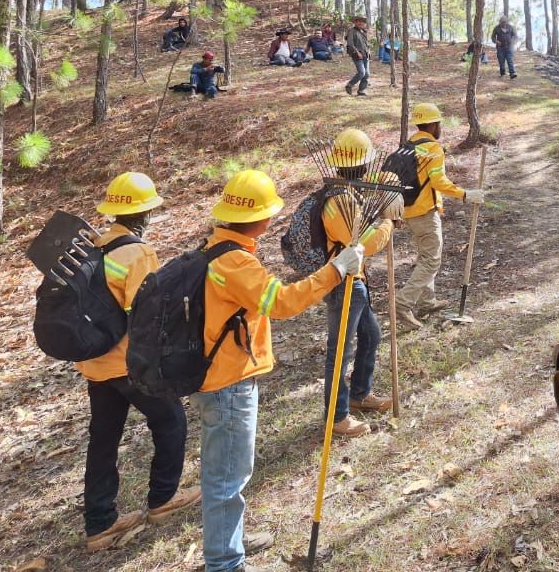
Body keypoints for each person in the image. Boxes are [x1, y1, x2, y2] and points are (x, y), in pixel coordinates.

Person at [194, 169, 365, 572]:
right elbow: (283, 302)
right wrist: (336, 269)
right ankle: (224, 562)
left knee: (229, 472)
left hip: (220, 378)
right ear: (261, 218)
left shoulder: (215, 248)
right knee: (227, 478)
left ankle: (227, 543)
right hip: (227, 384)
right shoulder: (235, 262)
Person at [79, 173, 200, 552]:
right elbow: (147, 316)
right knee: (171, 421)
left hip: (94, 364)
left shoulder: (94, 245)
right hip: (128, 364)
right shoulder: (138, 254)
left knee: (103, 438)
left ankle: (100, 522)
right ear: (144, 212)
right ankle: (163, 499)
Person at [320, 129, 403, 438]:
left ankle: (359, 393)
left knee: (371, 335)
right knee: (339, 352)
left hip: (356, 281)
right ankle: (337, 416)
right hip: (344, 284)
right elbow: (362, 244)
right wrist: (387, 222)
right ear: (363, 165)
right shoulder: (339, 201)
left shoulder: (347, 193)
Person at [393, 102, 485, 330]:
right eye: (439, 123)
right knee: (431, 260)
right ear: (434, 125)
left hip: (409, 211)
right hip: (424, 213)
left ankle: (427, 302)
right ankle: (403, 303)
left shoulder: (408, 145)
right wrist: (466, 194)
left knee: (425, 256)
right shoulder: (432, 149)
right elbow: (438, 182)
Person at [344, 15, 370, 97]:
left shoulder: (363, 32)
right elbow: (350, 44)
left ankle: (361, 90)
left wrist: (369, 51)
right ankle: (350, 85)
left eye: (362, 21)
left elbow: (366, 44)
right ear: (355, 22)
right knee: (362, 72)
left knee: (367, 74)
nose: (360, 23)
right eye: (358, 21)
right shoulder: (352, 31)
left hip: (365, 54)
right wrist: (357, 52)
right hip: (357, 55)